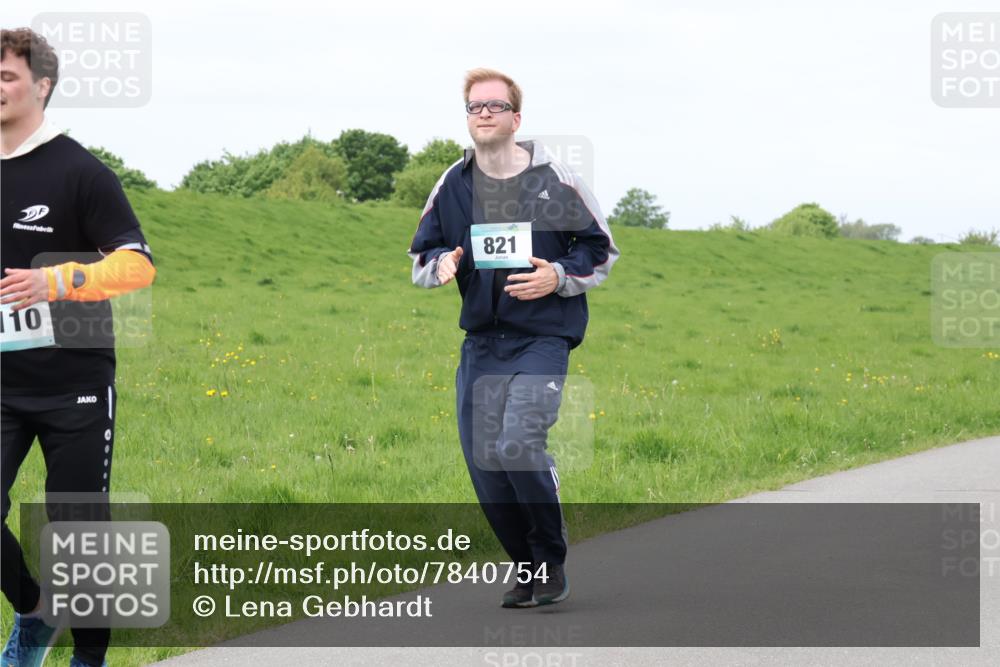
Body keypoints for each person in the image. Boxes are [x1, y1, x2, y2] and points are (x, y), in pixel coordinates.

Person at [408, 68, 619, 608]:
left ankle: (550, 559)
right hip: (482, 344)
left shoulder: (553, 178)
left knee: (518, 445)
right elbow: (421, 254)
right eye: (473, 107)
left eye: (494, 106)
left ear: (515, 118)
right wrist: (441, 265)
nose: (482, 114)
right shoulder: (452, 183)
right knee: (485, 463)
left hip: (543, 337)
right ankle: (527, 569)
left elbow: (600, 249)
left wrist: (559, 276)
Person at [1, 27, 156, 667]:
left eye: (6, 75)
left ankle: (89, 660)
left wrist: (57, 279)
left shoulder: (80, 170)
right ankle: (36, 610)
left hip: (76, 385)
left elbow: (138, 265)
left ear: (42, 85)